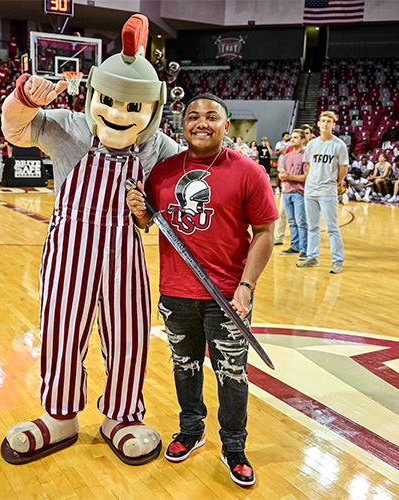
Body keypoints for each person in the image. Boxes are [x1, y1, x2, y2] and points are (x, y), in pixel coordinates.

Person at [0, 15, 179, 467]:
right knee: (61, 330)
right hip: (68, 250)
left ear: (152, 110)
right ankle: (59, 415)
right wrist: (23, 98)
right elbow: (15, 130)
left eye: (133, 108)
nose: (118, 115)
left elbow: (195, 178)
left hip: (126, 252)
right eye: (110, 102)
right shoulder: (68, 127)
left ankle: (121, 416)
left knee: (130, 333)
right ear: (94, 96)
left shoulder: (157, 147)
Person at [126, 93, 277, 487]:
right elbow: (146, 223)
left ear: (226, 125)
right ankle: (191, 429)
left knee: (231, 372)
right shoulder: (161, 172)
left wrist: (246, 287)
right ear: (183, 124)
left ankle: (234, 446)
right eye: (193, 116)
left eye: (212, 116)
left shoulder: (249, 171)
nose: (201, 123)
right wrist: (140, 214)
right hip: (175, 291)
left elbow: (264, 233)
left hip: (228, 295)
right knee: (185, 366)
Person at [297, 111, 348, 274]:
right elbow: (309, 166)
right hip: (311, 190)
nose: (325, 123)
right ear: (318, 124)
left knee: (332, 227)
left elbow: (343, 169)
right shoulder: (312, 144)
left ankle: (337, 260)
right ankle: (312, 257)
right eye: (323, 120)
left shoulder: (339, 145)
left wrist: (333, 183)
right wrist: (313, 180)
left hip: (327, 190)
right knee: (313, 226)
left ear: (334, 124)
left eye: (329, 121)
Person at [278, 129, 308, 259]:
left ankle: (305, 249)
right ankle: (294, 246)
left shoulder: (306, 155)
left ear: (303, 140)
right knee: (291, 222)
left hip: (299, 192)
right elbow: (281, 173)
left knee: (301, 221)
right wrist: (282, 176)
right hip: (286, 192)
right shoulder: (287, 156)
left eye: (296, 137)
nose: (292, 139)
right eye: (292, 137)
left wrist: (289, 176)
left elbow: (306, 177)